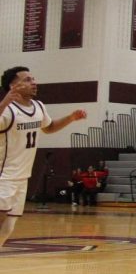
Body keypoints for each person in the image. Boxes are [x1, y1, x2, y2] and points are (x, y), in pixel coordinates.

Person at [0, 67, 87, 248]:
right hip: (4, 176)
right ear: (13, 85)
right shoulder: (8, 110)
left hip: (22, 177)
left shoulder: (38, 106)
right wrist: (4, 102)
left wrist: (70, 118)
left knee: (7, 228)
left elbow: (49, 127)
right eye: (27, 79)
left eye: (33, 78)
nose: (34, 82)